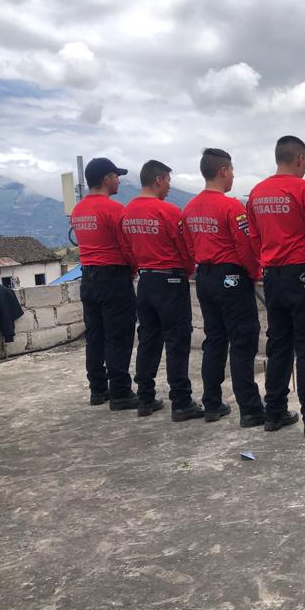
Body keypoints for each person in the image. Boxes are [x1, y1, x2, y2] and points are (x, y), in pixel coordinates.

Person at [247, 136, 305, 437]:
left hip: (273, 275)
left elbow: (255, 237)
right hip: (304, 275)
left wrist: (266, 263)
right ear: (300, 159)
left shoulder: (256, 193)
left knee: (279, 343)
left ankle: (274, 411)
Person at [181, 148, 264, 426]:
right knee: (242, 341)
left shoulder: (190, 208)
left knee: (214, 340)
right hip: (231, 278)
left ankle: (212, 404)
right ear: (223, 171)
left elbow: (190, 246)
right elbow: (245, 247)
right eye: (232, 171)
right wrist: (254, 273)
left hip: (204, 278)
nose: (233, 176)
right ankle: (250, 409)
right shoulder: (231, 207)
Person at [120, 160, 202, 421]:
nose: (169, 186)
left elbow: (126, 249)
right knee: (177, 341)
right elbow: (185, 248)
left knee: (148, 339)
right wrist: (187, 270)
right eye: (167, 180)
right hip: (171, 281)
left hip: (144, 282)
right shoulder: (168, 211)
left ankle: (144, 397)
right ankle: (181, 402)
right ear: (158, 179)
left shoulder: (127, 212)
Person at [69, 157, 138, 411]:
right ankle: (120, 393)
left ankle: (98, 389)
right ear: (107, 178)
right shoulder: (114, 209)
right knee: (118, 335)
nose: (119, 180)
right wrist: (133, 269)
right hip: (113, 277)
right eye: (116, 176)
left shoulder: (78, 210)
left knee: (95, 336)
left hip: (88, 277)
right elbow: (126, 246)